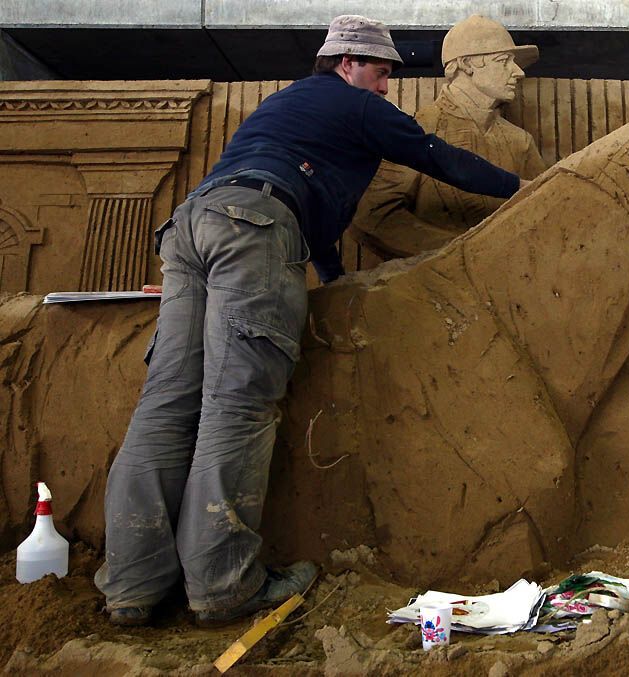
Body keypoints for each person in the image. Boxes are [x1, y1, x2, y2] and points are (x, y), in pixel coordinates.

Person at [95, 14, 528, 627]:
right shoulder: (355, 105)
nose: (385, 88)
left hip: (193, 228)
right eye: (380, 73)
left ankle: (133, 586)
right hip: (253, 229)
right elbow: (440, 158)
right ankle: (222, 586)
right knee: (236, 405)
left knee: (166, 403)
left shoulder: (286, 106)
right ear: (347, 63)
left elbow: (310, 225)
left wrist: (333, 281)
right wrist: (527, 190)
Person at [352, 15, 545, 260]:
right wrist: (457, 252)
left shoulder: (520, 142)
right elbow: (374, 216)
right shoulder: (418, 130)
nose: (518, 72)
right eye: (504, 61)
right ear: (466, 64)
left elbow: (546, 208)